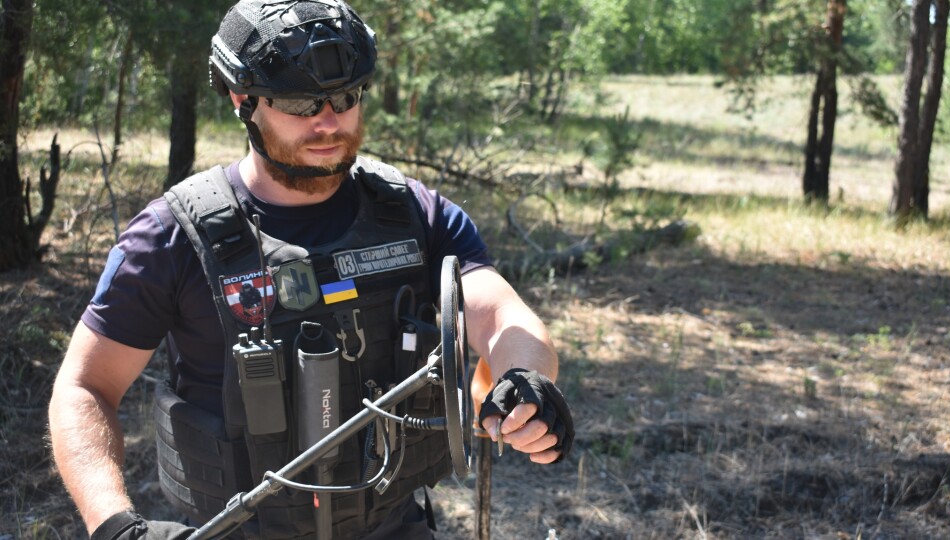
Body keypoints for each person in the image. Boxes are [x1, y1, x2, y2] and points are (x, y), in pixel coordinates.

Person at [48, 1, 574, 539]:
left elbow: (499, 312)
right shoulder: (171, 238)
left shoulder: (415, 214)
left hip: (393, 526)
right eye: (300, 103)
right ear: (242, 99)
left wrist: (525, 379)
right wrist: (113, 526)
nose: (328, 122)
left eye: (346, 98)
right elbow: (86, 386)